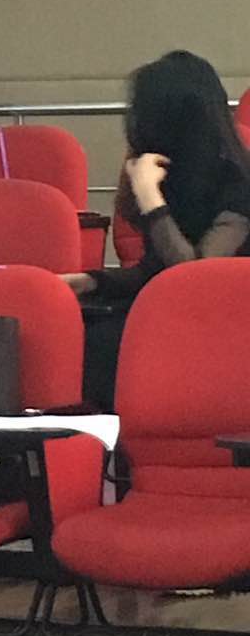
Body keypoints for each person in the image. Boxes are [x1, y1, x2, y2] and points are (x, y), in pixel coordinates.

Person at [65, 50, 250, 410]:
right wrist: (94, 281)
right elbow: (157, 271)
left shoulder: (238, 181)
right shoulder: (175, 174)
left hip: (228, 323)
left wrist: (151, 199)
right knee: (82, 325)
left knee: (110, 345)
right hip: (183, 315)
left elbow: (195, 279)